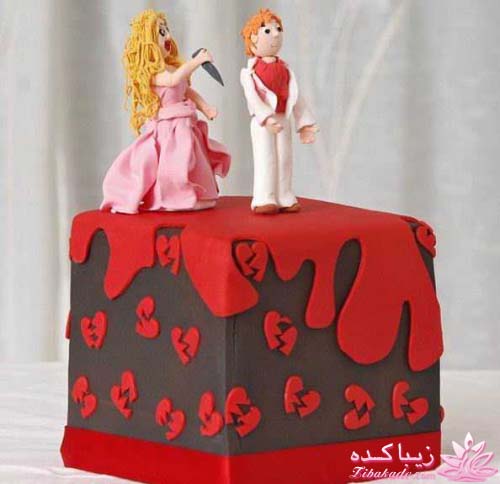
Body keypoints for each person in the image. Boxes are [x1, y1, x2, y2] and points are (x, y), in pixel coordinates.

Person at [101, 9, 230, 214]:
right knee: (175, 164)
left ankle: (198, 194)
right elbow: (172, 81)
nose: (168, 36)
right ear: (148, 42)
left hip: (185, 125)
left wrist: (205, 107)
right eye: (162, 32)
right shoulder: (153, 75)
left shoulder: (171, 67)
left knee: (194, 162)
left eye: (167, 30)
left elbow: (186, 91)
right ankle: (173, 197)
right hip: (168, 131)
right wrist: (196, 62)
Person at [240, 8, 319, 214]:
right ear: (253, 38)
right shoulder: (249, 73)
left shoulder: (285, 68)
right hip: (263, 122)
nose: (275, 34)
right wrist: (266, 118)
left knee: (285, 157)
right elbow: (253, 97)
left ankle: (284, 195)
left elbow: (295, 95)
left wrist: (305, 124)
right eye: (268, 31)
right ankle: (265, 197)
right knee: (266, 157)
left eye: (278, 29)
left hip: (284, 118)